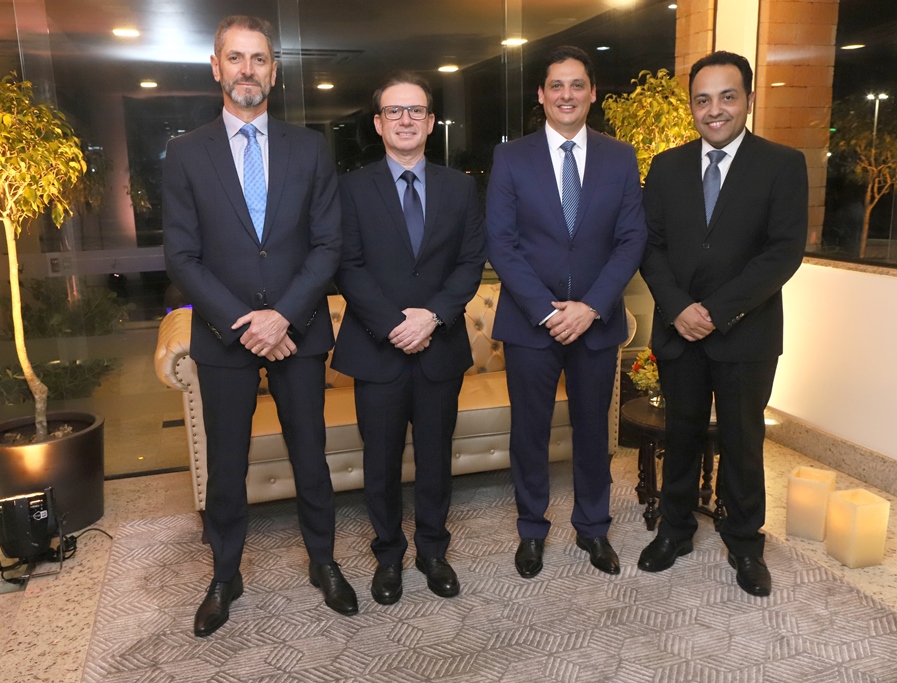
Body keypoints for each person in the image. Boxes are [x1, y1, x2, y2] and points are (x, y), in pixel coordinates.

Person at [163, 15, 357, 637]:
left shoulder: (310, 147)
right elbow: (182, 256)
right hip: (225, 337)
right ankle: (225, 574)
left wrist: (282, 317)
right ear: (216, 67)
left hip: (298, 330)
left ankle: (323, 561)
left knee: (311, 457)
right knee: (227, 465)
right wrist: (243, 323)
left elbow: (327, 245)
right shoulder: (186, 153)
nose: (248, 70)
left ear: (274, 71)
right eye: (236, 58)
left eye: (259, 59)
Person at [637, 51, 808, 597]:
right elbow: (650, 246)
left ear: (749, 100)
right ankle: (675, 530)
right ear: (692, 106)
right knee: (680, 435)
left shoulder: (782, 164)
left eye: (727, 97)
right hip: (679, 329)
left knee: (743, 441)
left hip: (746, 332)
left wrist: (715, 312)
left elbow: (783, 253)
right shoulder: (666, 166)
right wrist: (678, 307)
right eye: (703, 99)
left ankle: (745, 541)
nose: (715, 110)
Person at [486, 46, 647, 579]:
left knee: (593, 431)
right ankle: (531, 530)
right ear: (541, 94)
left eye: (577, 85)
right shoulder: (511, 157)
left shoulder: (620, 157)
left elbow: (631, 240)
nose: (567, 95)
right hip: (530, 322)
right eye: (556, 85)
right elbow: (502, 243)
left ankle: (593, 527)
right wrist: (546, 311)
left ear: (592, 92)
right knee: (529, 433)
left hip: (596, 323)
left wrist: (591, 307)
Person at [332, 72, 486, 604]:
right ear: (378, 124)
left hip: (440, 346)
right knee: (380, 462)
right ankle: (388, 555)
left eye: (416, 111)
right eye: (394, 111)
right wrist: (396, 324)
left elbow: (470, 262)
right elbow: (347, 265)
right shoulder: (351, 188)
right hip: (378, 348)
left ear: (431, 121)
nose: (405, 120)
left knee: (435, 459)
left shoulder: (460, 187)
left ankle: (433, 552)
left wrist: (432, 317)